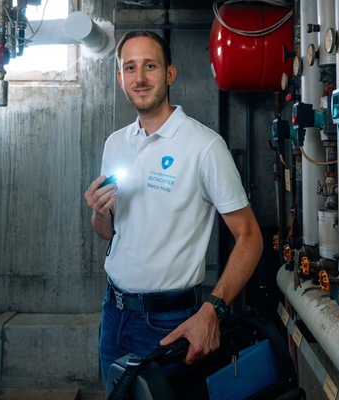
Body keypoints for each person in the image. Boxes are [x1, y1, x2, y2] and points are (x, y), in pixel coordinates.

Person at [83, 30, 263, 390]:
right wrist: (101, 213)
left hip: (168, 323)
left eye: (150, 66)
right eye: (129, 68)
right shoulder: (115, 143)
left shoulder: (204, 146)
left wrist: (213, 309)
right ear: (120, 78)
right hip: (113, 311)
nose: (140, 77)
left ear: (169, 74)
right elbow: (111, 231)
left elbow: (250, 237)